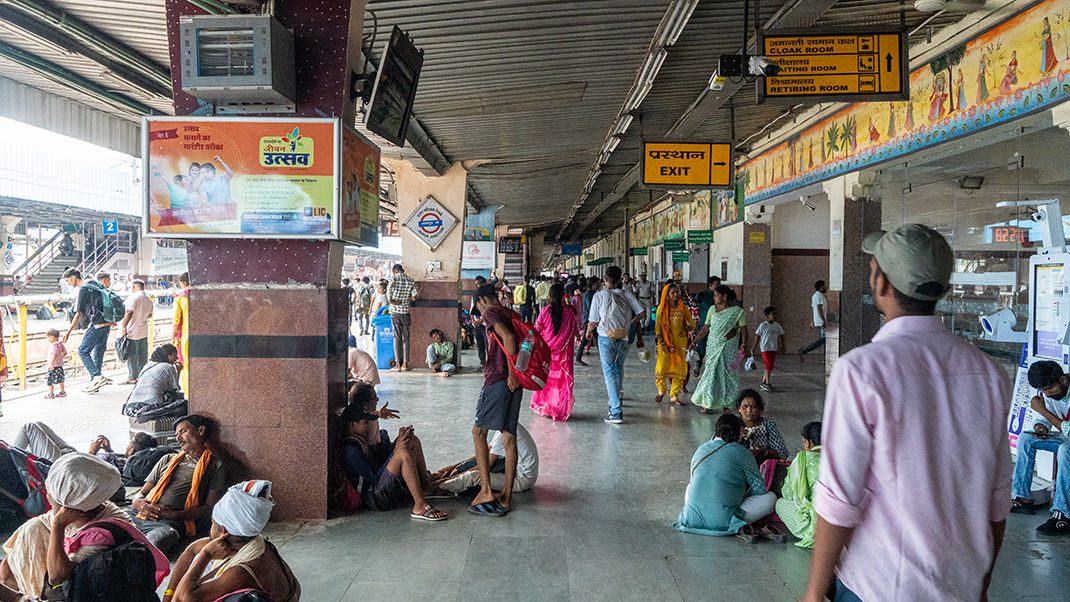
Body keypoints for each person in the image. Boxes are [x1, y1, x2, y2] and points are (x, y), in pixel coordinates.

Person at [801, 224, 1012, 602]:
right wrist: (980, 584)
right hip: (960, 584)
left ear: (881, 283)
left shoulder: (861, 372)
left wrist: (815, 593)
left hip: (879, 585)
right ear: (943, 290)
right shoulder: (990, 374)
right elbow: (997, 501)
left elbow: (839, 500)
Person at [0, 453, 170, 596]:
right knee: (9, 563)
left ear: (70, 506)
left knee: (10, 572)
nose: (48, 496)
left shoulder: (100, 534)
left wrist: (59, 525)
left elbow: (57, 577)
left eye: (52, 493)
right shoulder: (90, 505)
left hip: (73, 590)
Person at [164, 480, 300, 602]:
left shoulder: (242, 572)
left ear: (223, 531)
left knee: (201, 562)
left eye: (213, 523)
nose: (210, 529)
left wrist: (206, 554)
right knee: (200, 558)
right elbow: (193, 549)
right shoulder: (256, 543)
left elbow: (183, 599)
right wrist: (168, 595)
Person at [339, 386, 447, 521]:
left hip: (381, 487)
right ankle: (420, 505)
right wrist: (396, 451)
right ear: (353, 424)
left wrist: (398, 443)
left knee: (411, 440)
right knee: (402, 454)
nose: (368, 426)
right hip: (376, 498)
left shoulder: (360, 441)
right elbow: (374, 480)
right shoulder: (351, 450)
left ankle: (426, 487)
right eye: (365, 423)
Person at [671, 413, 777, 540]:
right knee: (770, 498)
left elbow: (694, 478)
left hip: (691, 518)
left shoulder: (701, 449)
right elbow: (759, 488)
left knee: (690, 486)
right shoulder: (742, 452)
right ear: (738, 433)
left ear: (716, 431)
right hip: (723, 522)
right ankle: (735, 521)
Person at [128, 415, 226, 553]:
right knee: (105, 527)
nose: (178, 438)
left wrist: (172, 515)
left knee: (158, 541)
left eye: (183, 431)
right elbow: (142, 492)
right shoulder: (167, 459)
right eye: (176, 434)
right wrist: (138, 503)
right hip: (137, 513)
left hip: (165, 524)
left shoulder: (215, 465)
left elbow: (209, 507)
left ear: (201, 430)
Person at [468, 284, 521, 516]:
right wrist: (515, 374)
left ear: (482, 300)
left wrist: (509, 372)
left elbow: (508, 338)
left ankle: (487, 489)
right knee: (509, 437)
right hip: (515, 381)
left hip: (499, 378)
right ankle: (506, 496)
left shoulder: (490, 311)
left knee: (478, 432)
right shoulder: (511, 312)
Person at [1009, 360, 1070, 535]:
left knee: (1066, 449)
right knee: (1026, 439)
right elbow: (1045, 420)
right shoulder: (1052, 395)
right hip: (1066, 438)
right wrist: (1040, 427)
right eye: (1044, 391)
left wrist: (1043, 411)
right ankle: (1022, 498)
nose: (1048, 395)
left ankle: (1063, 515)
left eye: (1050, 389)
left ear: (1063, 379)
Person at [9, 422, 170, 488]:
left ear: (133, 451)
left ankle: (10, 461)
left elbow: (92, 472)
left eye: (130, 442)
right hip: (72, 455)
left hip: (68, 465)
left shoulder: (130, 466)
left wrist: (92, 452)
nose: (128, 443)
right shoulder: (128, 459)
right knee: (37, 424)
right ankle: (12, 456)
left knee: (29, 428)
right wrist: (109, 451)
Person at [586, 266, 645, 424]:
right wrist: (630, 324)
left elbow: (593, 321)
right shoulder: (627, 294)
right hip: (623, 337)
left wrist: (588, 333)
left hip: (606, 337)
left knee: (609, 372)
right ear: (619, 279)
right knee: (618, 368)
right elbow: (641, 312)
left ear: (605, 279)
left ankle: (615, 411)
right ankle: (617, 398)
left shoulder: (599, 296)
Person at [434, 423, 539, 495]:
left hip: (522, 480)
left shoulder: (506, 432)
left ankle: (437, 488)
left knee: (473, 476)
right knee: (471, 464)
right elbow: (484, 453)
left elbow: (485, 465)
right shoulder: (506, 424)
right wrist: (454, 466)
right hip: (512, 469)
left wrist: (451, 478)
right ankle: (438, 479)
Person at [689, 286, 746, 414]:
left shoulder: (737, 311)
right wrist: (694, 342)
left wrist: (743, 344)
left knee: (730, 374)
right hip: (713, 346)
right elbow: (705, 329)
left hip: (729, 347)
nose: (714, 298)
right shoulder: (711, 310)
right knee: (711, 373)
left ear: (724, 296)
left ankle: (727, 404)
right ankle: (708, 403)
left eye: (716, 295)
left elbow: (743, 328)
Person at [530, 283, 579, 421]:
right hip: (563, 356)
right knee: (560, 382)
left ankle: (545, 407)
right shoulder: (569, 313)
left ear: (550, 296)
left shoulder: (545, 311)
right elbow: (573, 331)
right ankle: (558, 408)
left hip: (547, 353)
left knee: (547, 379)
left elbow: (537, 330)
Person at [61, 268, 114, 394]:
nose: (68, 283)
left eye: (68, 280)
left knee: (83, 351)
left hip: (97, 323)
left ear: (74, 277)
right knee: (98, 351)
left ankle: (96, 376)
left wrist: (68, 331)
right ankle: (95, 381)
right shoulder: (94, 283)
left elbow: (78, 313)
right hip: (107, 323)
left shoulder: (83, 289)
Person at [776, 421, 822, 548]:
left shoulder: (802, 460)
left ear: (807, 442)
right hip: (837, 525)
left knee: (779, 503)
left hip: (814, 528)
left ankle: (808, 532)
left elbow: (788, 494)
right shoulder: (836, 458)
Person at [654, 283, 695, 406]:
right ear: (667, 295)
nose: (676, 295)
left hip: (680, 343)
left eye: (677, 292)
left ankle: (674, 395)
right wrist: (662, 343)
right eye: (673, 292)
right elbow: (658, 329)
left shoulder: (683, 308)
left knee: (679, 368)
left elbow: (692, 323)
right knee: (661, 368)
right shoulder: (661, 309)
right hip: (665, 345)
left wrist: (687, 328)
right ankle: (661, 391)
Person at [123, 344, 183, 419]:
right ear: (168, 356)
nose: (177, 358)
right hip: (151, 406)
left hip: (132, 407)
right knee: (181, 403)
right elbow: (175, 389)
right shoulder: (169, 367)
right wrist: (179, 371)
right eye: (174, 355)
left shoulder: (148, 365)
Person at [736, 389, 789, 462]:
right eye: (745, 406)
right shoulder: (732, 424)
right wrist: (736, 441)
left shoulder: (768, 426)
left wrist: (764, 452)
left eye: (753, 407)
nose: (749, 410)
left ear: (760, 410)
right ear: (739, 408)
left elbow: (783, 453)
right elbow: (717, 448)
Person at [121, 279, 153, 385]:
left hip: (132, 330)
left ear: (134, 286)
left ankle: (132, 377)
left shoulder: (133, 297)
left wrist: (123, 326)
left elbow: (129, 312)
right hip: (143, 330)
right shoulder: (148, 299)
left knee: (132, 355)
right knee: (142, 355)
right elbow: (150, 315)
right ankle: (142, 375)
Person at [387, 264, 418, 371]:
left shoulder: (394, 279)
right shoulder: (411, 280)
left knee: (397, 338)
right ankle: (405, 364)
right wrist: (406, 298)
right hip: (406, 312)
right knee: (406, 338)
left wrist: (392, 301)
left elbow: (388, 293)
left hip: (395, 313)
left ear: (395, 271)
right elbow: (414, 297)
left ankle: (397, 364)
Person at [692, 276, 723, 377]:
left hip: (717, 327)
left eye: (719, 283)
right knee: (701, 347)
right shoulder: (701, 296)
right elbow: (695, 310)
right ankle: (698, 365)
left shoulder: (722, 296)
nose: (718, 286)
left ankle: (709, 370)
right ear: (710, 285)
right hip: (703, 325)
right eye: (716, 284)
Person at [750, 307, 785, 392]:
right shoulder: (763, 325)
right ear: (767, 316)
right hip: (765, 348)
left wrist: (782, 346)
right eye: (773, 314)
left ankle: (764, 382)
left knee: (769, 366)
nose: (775, 316)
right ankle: (768, 384)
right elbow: (757, 336)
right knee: (768, 366)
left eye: (775, 314)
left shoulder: (777, 325)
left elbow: (781, 335)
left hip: (773, 348)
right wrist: (754, 347)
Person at [798, 280, 827, 358]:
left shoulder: (814, 295)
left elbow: (812, 308)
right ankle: (804, 350)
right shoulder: (819, 295)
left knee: (824, 339)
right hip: (821, 321)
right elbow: (819, 308)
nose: (826, 287)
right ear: (821, 287)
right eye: (824, 285)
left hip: (818, 321)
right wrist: (823, 320)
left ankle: (805, 350)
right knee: (823, 339)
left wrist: (812, 321)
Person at [173, 272, 191, 394]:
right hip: (204, 334)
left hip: (187, 335)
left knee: (187, 363)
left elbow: (176, 319)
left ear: (184, 283)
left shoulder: (180, 296)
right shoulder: (203, 293)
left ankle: (188, 389)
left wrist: (173, 334)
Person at [576, 277, 599, 366]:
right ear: (593, 284)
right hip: (590, 320)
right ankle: (578, 358)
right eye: (597, 283)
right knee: (587, 339)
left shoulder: (591, 293)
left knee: (596, 338)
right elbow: (591, 307)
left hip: (591, 319)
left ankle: (578, 357)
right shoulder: (589, 294)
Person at [470, 276, 488, 370]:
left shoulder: (488, 296)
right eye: (476, 285)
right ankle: (482, 363)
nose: (477, 286)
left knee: (487, 344)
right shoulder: (475, 296)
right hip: (477, 325)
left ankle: (490, 364)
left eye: (479, 284)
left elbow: (489, 311)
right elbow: (471, 311)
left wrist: (481, 320)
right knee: (480, 345)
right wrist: (473, 321)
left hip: (486, 325)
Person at [43, 329, 65, 400]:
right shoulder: (60, 344)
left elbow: (54, 354)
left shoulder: (53, 345)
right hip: (60, 365)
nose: (48, 340)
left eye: (48, 338)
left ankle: (51, 394)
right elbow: (65, 353)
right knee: (61, 379)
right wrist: (60, 357)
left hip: (53, 366)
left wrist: (51, 363)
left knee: (50, 380)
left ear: (52, 337)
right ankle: (62, 392)